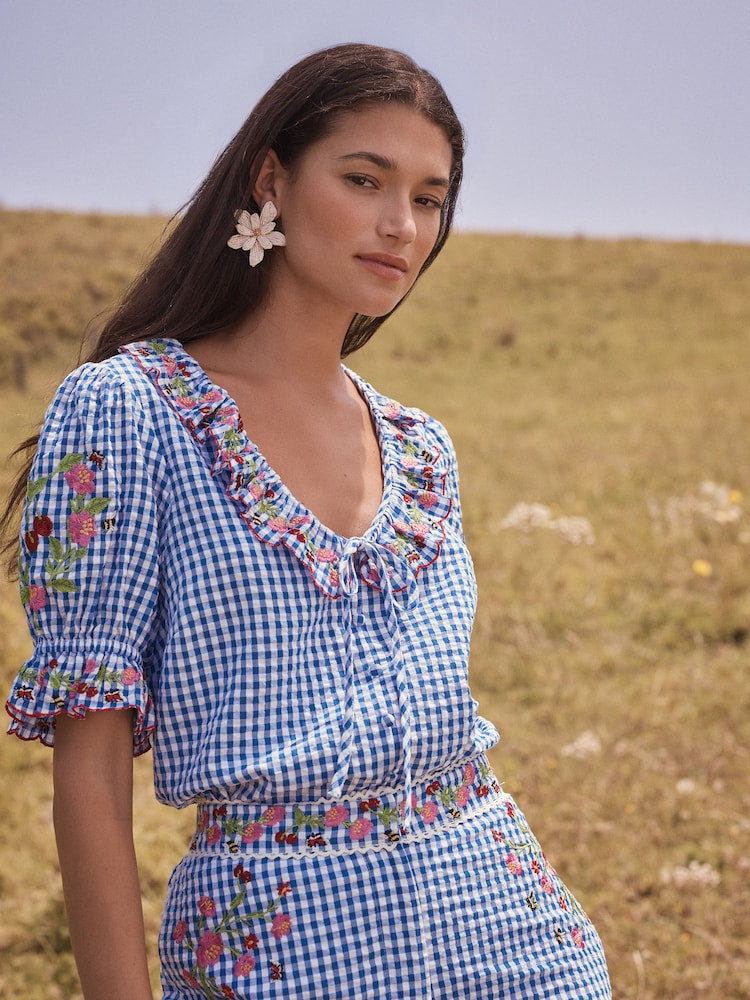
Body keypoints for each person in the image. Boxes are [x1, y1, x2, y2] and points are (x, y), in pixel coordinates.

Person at [3, 42, 611, 1000]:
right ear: (271, 180)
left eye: (428, 197)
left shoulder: (422, 446)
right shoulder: (129, 411)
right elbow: (88, 774)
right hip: (278, 953)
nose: (398, 225)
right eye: (364, 179)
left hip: (511, 939)